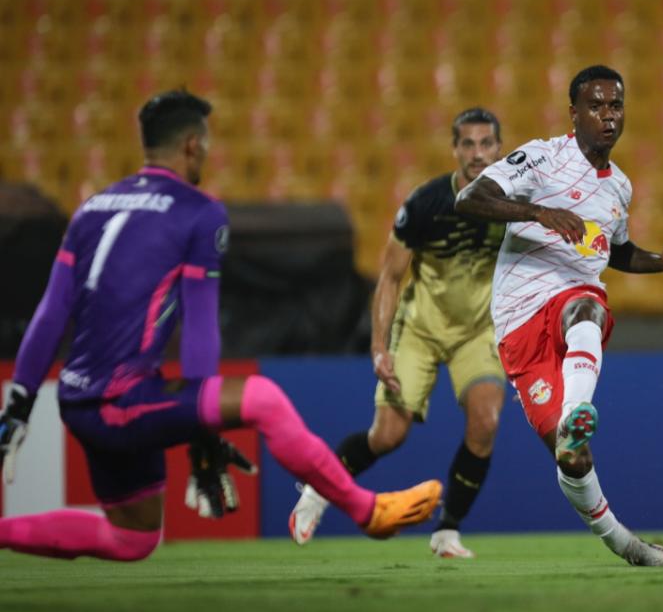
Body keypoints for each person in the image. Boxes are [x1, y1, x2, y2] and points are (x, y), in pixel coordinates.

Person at [0, 89, 441, 562]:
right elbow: (200, 325)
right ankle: (367, 510)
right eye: (205, 146)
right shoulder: (198, 211)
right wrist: (204, 424)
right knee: (262, 399)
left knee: (133, 538)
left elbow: (51, 311)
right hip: (119, 400)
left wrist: (20, 404)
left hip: (81, 399)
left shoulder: (92, 208)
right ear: (192, 145)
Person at [455, 65, 663, 566]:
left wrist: (661, 261)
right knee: (572, 458)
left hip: (573, 301)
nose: (608, 116)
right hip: (519, 319)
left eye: (616, 106)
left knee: (586, 300)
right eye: (596, 106)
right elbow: (469, 197)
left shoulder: (620, 188)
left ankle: (575, 414)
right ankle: (623, 543)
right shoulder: (542, 158)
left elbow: (615, 250)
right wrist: (539, 213)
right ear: (574, 113)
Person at [290, 108, 508, 558]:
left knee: (485, 422)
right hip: (421, 329)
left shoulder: (515, 203)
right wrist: (377, 346)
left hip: (478, 331)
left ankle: (447, 532)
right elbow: (389, 278)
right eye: (467, 144)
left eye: (486, 143)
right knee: (388, 435)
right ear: (454, 149)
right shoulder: (425, 203)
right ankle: (316, 491)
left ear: (499, 149)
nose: (477, 153)